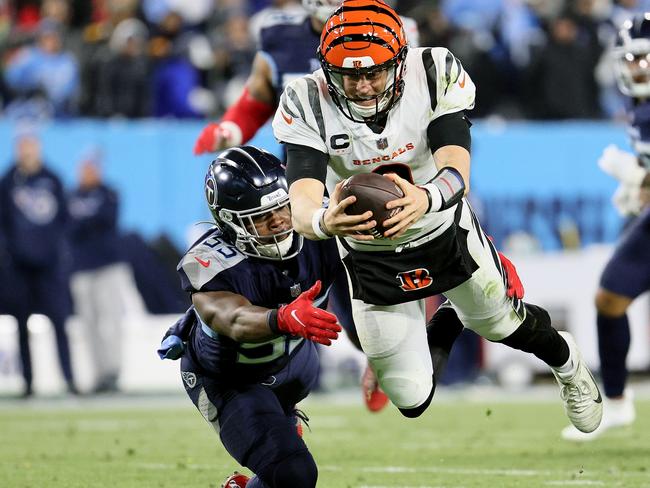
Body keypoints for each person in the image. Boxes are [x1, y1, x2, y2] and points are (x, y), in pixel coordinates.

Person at [273, 0, 603, 430]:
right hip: (368, 253)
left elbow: (456, 170)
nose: (362, 86)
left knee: (502, 324)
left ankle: (568, 362)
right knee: (411, 398)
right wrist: (322, 222)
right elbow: (300, 198)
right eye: (349, 75)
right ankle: (451, 315)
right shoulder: (306, 99)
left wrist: (425, 199)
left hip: (442, 227)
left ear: (399, 61)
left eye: (373, 72)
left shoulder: (432, 72)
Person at [193, 0, 418, 412]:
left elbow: (414, 111)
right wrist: (232, 126)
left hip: (364, 174)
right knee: (291, 282)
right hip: (304, 187)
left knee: (369, 277)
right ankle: (276, 390)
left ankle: (384, 353)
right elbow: (260, 94)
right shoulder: (281, 35)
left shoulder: (387, 30)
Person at [561, 14, 650, 441]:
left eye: (644, 57)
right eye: (630, 58)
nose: (636, 67)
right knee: (610, 297)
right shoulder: (639, 106)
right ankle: (616, 402)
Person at [0, 130, 78, 397]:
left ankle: (69, 380)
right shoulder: (8, 180)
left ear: (38, 149)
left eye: (31, 147)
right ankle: (28, 383)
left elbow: (64, 221)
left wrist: (57, 252)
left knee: (60, 322)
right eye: (23, 147)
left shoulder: (52, 179)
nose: (27, 152)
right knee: (21, 325)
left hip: (49, 266)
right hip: (19, 267)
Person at [67, 157, 141, 393]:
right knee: (89, 324)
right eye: (84, 168)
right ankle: (98, 374)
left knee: (111, 321)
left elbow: (105, 218)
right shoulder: (72, 196)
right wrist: (87, 221)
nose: (88, 172)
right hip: (81, 269)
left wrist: (83, 221)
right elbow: (69, 227)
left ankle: (113, 371)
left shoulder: (108, 192)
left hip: (108, 266)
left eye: (92, 168)